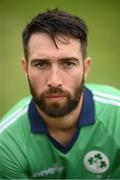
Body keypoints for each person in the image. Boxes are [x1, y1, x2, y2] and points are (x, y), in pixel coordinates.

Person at [0, 9, 120, 179]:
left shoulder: (117, 117)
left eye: (68, 63)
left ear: (86, 68)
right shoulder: (6, 145)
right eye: (41, 64)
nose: (54, 81)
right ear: (25, 69)